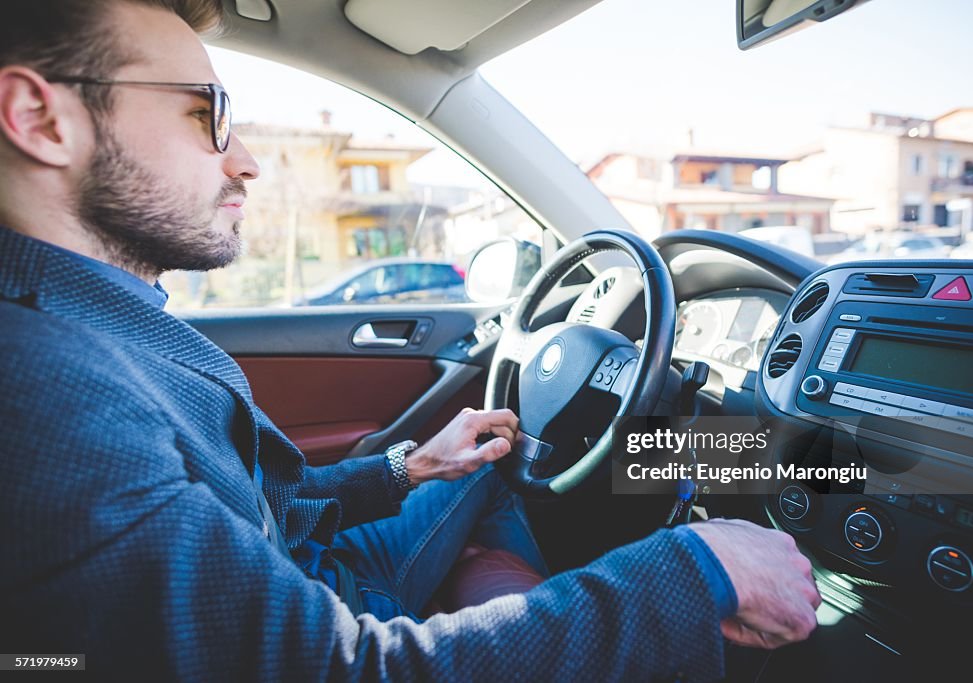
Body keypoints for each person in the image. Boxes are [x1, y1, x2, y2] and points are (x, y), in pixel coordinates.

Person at [0, 1, 820, 679]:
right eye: (205, 112)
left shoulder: (92, 324)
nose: (244, 160)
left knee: (498, 461)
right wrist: (698, 566)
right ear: (41, 118)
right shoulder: (46, 391)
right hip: (344, 612)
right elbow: (342, 667)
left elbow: (255, 507)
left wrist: (409, 465)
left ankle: (498, 590)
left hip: (312, 569)